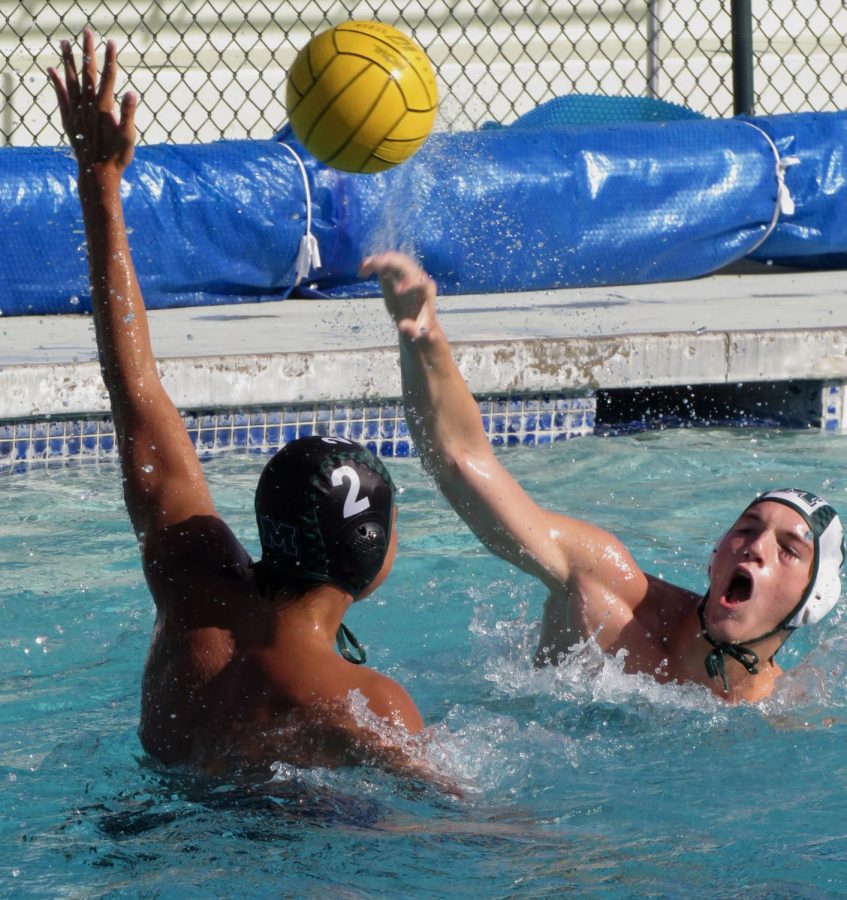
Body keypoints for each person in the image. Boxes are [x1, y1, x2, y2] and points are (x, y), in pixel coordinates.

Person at [48, 31, 424, 773]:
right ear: (370, 555)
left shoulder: (191, 584)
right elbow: (464, 820)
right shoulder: (365, 703)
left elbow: (137, 392)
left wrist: (100, 186)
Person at [360, 251, 846, 704]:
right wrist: (423, 337)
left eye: (788, 550)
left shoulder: (792, 713)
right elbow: (464, 465)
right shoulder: (608, 594)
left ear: (812, 600)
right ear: (717, 553)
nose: (754, 547)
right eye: (745, 529)